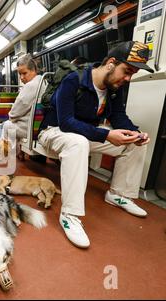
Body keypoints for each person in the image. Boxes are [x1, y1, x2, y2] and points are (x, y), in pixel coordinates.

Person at [38, 41, 154, 248]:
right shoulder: (74, 80)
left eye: (132, 75)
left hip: (83, 135)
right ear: (111, 63)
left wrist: (135, 134)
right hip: (54, 131)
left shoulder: (114, 88)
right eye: (126, 71)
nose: (128, 79)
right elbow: (66, 121)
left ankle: (118, 195)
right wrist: (105, 135)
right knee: (78, 142)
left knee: (134, 143)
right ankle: (70, 215)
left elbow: (118, 116)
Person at [0, 54, 41, 146]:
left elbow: (13, 114)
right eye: (19, 74)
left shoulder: (30, 86)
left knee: (6, 124)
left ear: (33, 71)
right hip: (40, 126)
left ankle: (6, 152)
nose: (21, 77)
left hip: (29, 129)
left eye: (24, 73)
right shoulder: (43, 81)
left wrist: (11, 118)